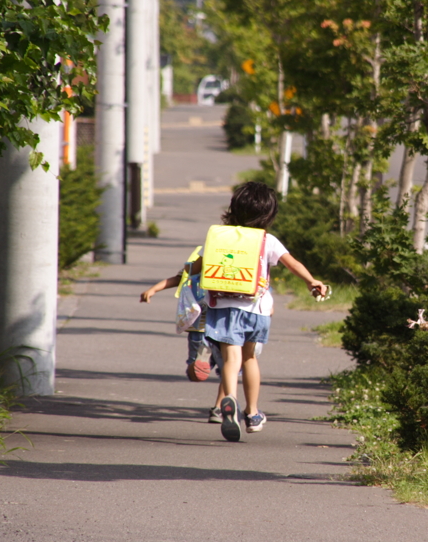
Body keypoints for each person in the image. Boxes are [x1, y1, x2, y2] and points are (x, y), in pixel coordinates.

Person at [167, 182, 327, 442]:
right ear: (268, 214)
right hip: (257, 309)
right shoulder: (267, 240)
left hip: (224, 307)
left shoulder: (221, 238)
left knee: (231, 360)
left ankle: (228, 399)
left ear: (233, 209)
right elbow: (292, 263)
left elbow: (195, 268)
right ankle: (252, 414)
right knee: (249, 358)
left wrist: (185, 275)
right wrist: (312, 282)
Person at [139, 248, 222, 383]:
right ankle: (221, 402)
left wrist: (153, 289)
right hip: (224, 327)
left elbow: (179, 278)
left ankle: (199, 361)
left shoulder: (200, 257)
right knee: (229, 371)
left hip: (198, 327)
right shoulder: (233, 265)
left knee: (194, 373)